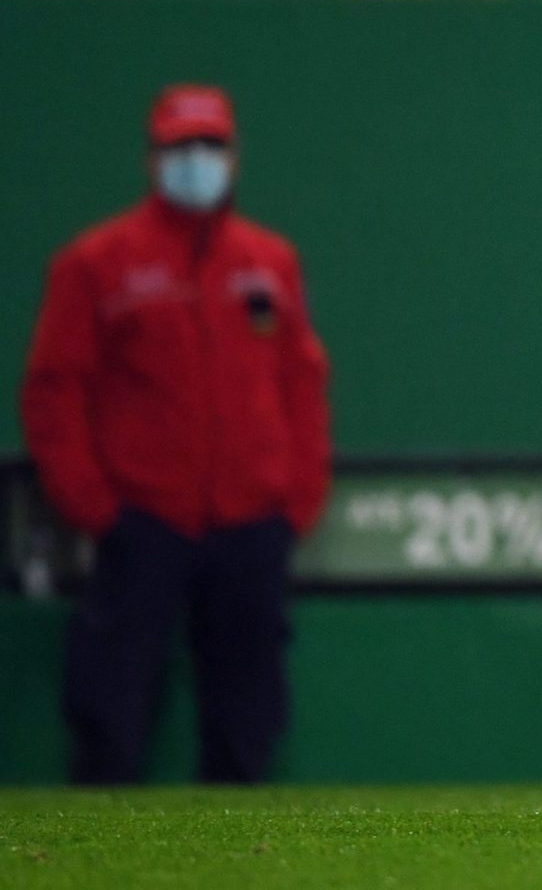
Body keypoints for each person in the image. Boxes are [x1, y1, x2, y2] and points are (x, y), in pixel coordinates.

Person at [20, 85, 331, 785]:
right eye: (182, 146)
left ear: (234, 156)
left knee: (248, 722)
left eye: (211, 146)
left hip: (250, 523)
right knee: (109, 713)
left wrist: (297, 498)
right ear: (152, 158)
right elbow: (53, 391)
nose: (198, 159)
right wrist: (95, 506)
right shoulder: (96, 262)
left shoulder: (270, 261)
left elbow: (302, 381)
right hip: (143, 522)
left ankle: (230, 864)